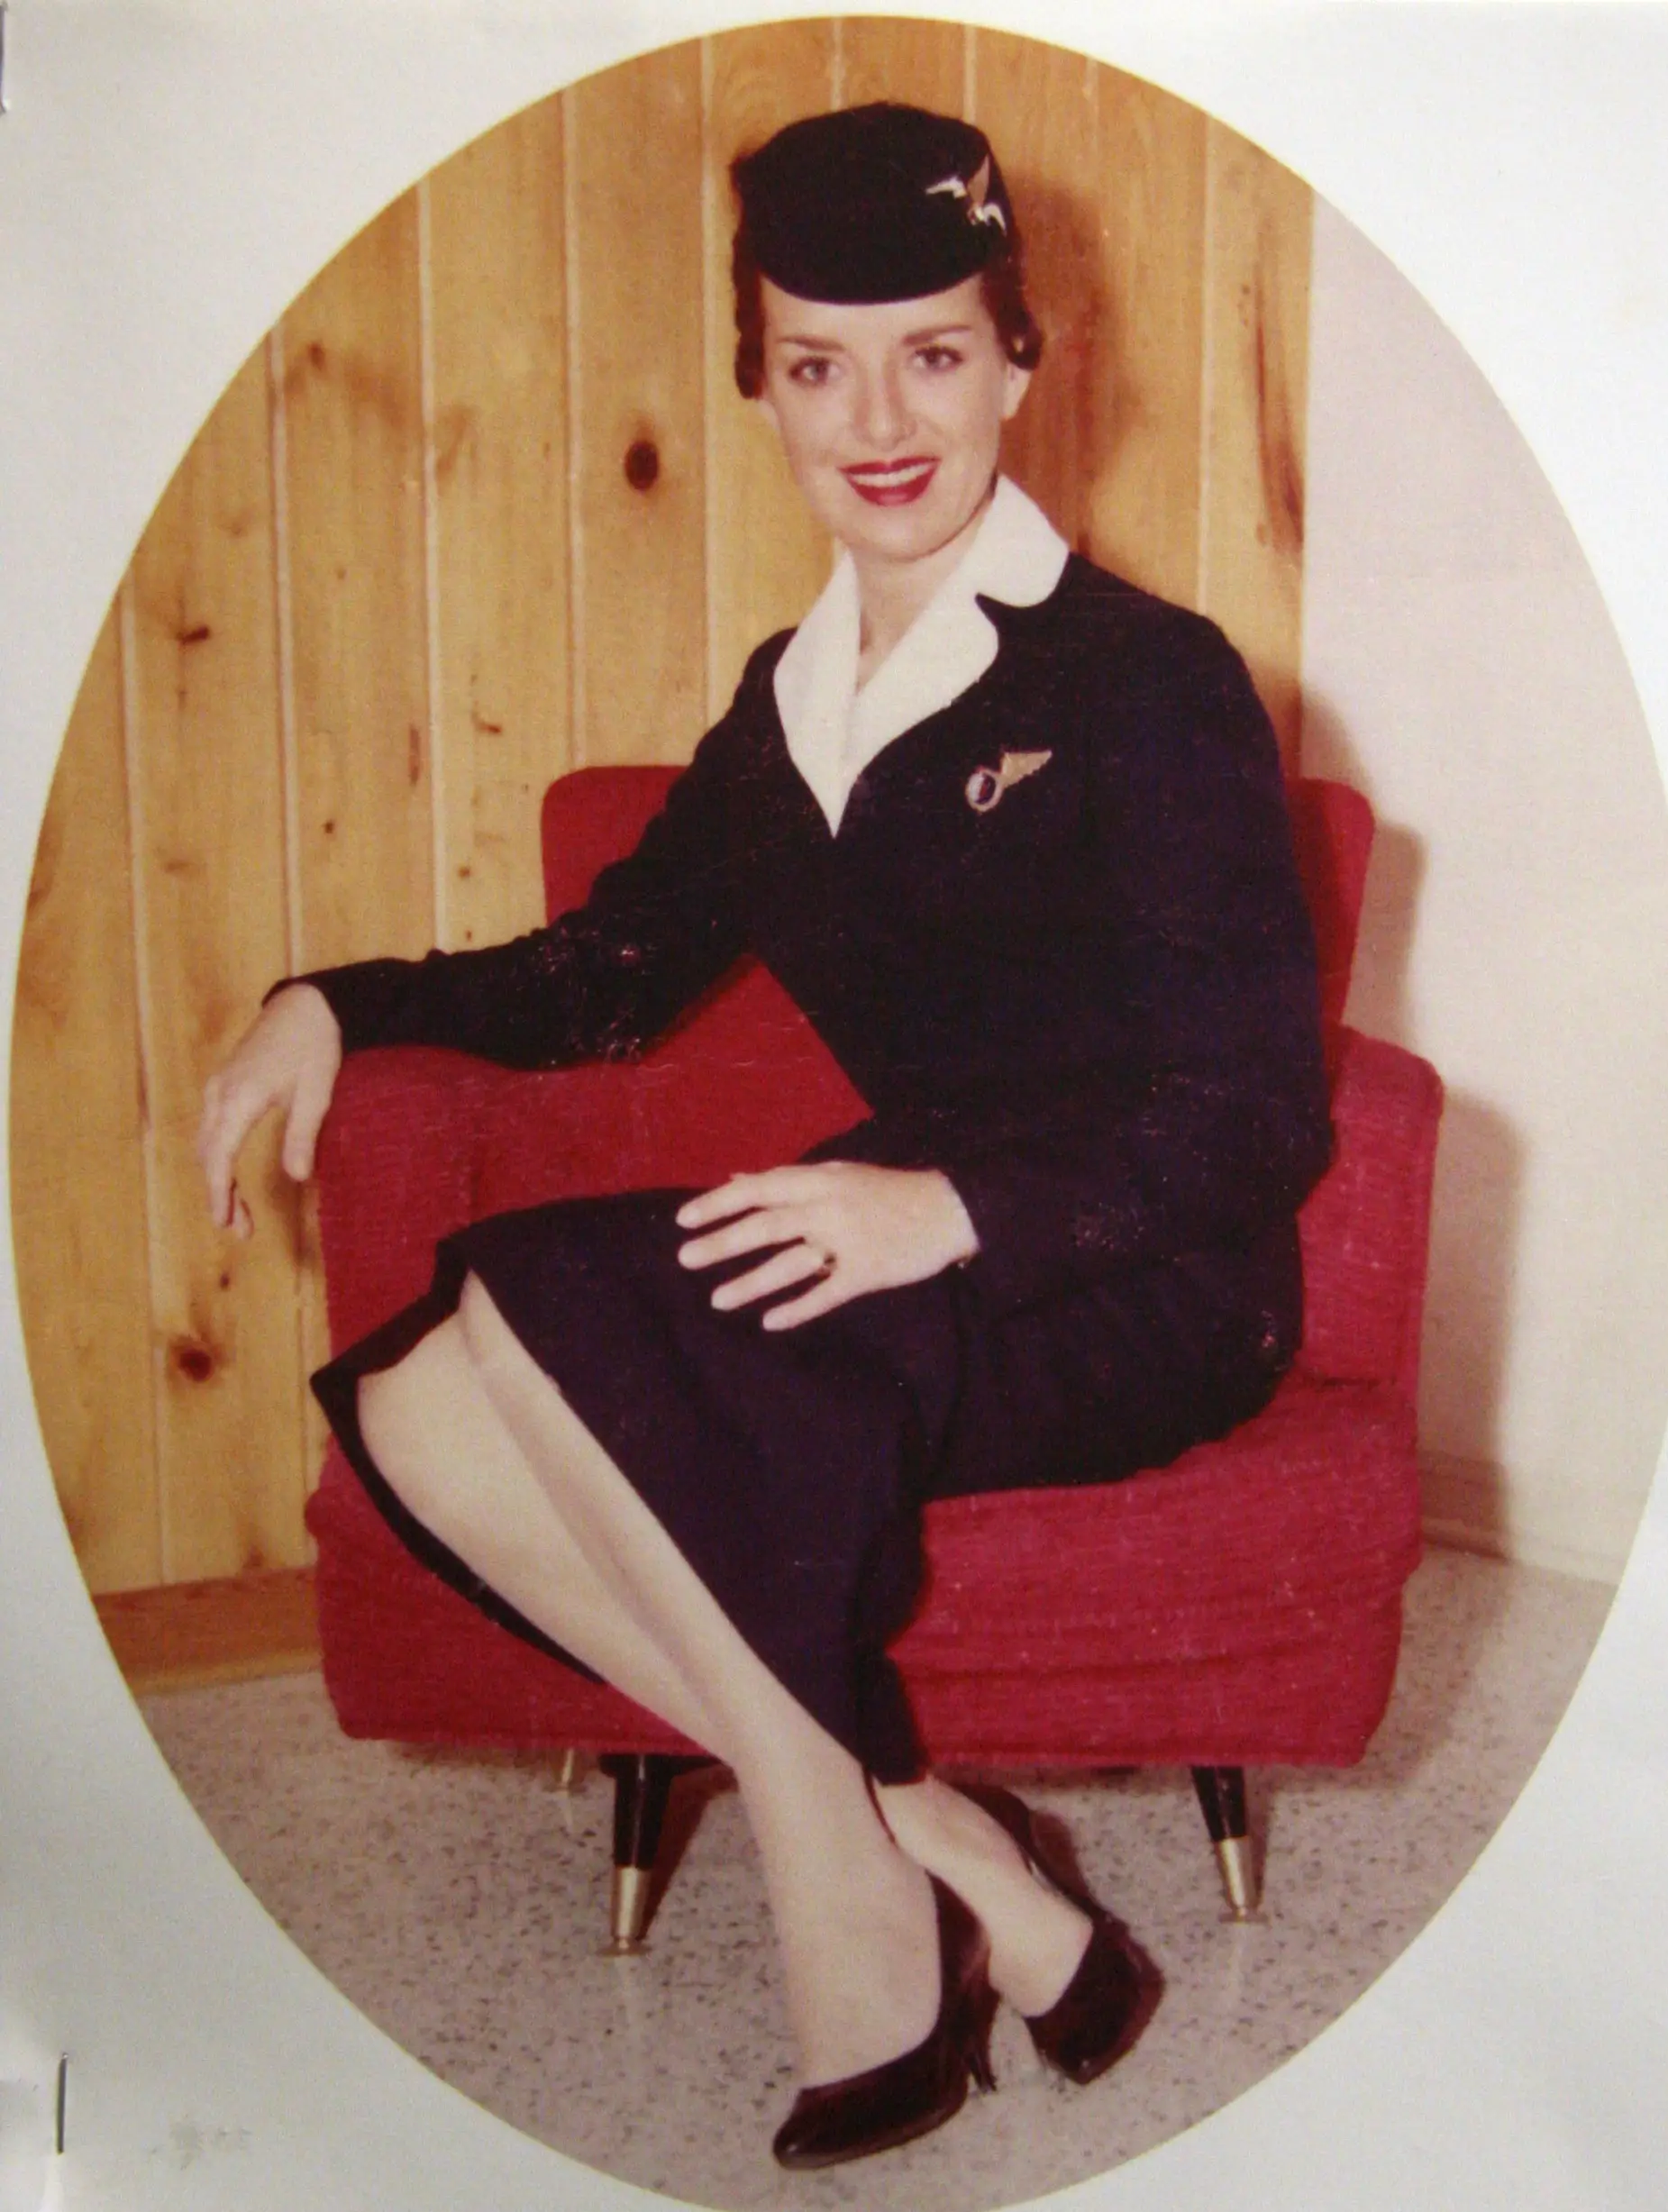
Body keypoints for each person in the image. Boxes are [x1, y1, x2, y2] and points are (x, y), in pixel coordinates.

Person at [198, 104, 1332, 2170]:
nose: (876, 415)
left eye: (929, 351)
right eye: (817, 363)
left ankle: (870, 1936)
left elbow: (1253, 1117)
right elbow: (603, 973)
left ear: (1019, 360)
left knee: (543, 1301)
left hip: (1136, 1274)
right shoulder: (786, 696)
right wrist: (333, 1002)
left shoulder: (1149, 681)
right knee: (431, 1394)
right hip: (898, 1229)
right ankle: (949, 1859)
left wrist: (948, 1210)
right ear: (762, 389)